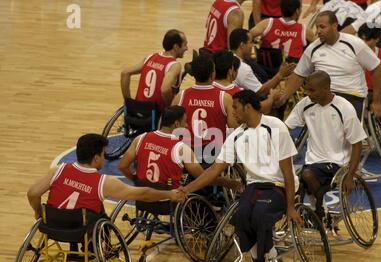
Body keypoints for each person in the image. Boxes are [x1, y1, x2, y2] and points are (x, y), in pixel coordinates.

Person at [178, 89, 302, 262]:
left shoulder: (275, 126)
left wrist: (291, 207)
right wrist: (187, 189)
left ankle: (266, 259)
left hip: (279, 186)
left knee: (260, 214)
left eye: (235, 107)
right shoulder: (236, 135)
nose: (233, 112)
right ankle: (266, 257)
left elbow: (287, 172)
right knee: (241, 216)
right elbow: (214, 170)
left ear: (248, 107)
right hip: (254, 186)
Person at [27, 134, 185, 222]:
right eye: (103, 155)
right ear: (96, 158)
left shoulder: (57, 170)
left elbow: (33, 193)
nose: (104, 158)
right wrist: (169, 194)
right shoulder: (104, 182)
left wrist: (38, 211)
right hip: (82, 229)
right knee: (98, 214)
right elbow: (142, 194)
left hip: (53, 224)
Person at [285, 71, 367, 221]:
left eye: (312, 90)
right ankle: (315, 218)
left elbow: (357, 144)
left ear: (326, 88)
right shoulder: (305, 104)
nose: (308, 94)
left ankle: (321, 211)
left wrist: (350, 176)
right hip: (312, 162)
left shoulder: (344, 108)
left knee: (307, 175)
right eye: (307, 89)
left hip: (338, 163)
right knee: (293, 186)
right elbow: (286, 128)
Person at [279, 11, 381, 120]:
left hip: (351, 95)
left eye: (322, 27)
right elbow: (299, 75)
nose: (318, 31)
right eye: (317, 27)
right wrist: (283, 98)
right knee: (298, 117)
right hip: (322, 95)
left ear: (335, 26)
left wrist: (376, 102)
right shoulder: (313, 48)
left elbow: (377, 70)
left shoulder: (355, 44)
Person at [118, 106, 237, 191]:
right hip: (168, 199)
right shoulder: (181, 148)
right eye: (184, 122)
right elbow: (201, 178)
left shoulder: (140, 138)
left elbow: (122, 166)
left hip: (142, 195)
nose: (186, 126)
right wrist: (224, 182)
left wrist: (136, 180)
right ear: (176, 124)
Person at [171, 54, 238, 164]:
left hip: (187, 155)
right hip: (213, 157)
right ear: (212, 75)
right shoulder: (225, 98)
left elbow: (171, 128)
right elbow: (234, 129)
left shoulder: (180, 96)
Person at [120, 29, 188, 114]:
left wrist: (128, 102)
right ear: (176, 47)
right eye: (185, 45)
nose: (186, 48)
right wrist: (170, 106)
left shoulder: (150, 57)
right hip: (155, 112)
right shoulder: (174, 65)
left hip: (138, 108)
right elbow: (165, 90)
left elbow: (125, 73)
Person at [230, 28, 295, 96]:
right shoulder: (243, 68)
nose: (253, 45)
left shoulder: (227, 56)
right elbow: (261, 92)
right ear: (242, 45)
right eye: (251, 42)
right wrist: (280, 75)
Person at [250, 0, 315, 64]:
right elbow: (319, 45)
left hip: (267, 68)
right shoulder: (305, 30)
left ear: (281, 10)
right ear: (297, 11)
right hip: (291, 71)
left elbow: (247, 35)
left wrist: (256, 41)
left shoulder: (267, 23)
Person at [212, 49, 275, 114]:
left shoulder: (205, 87)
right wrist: (272, 97)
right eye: (236, 69)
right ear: (231, 72)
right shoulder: (238, 94)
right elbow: (261, 108)